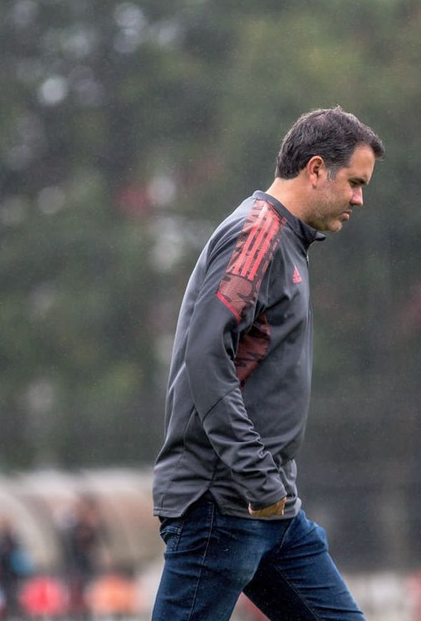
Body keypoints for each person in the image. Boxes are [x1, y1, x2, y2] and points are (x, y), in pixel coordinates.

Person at [151, 106, 384, 620]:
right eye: (354, 182)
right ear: (317, 169)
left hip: (272, 509)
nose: (359, 198)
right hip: (220, 504)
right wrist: (258, 477)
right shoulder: (257, 235)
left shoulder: (288, 242)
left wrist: (271, 486)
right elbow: (205, 352)